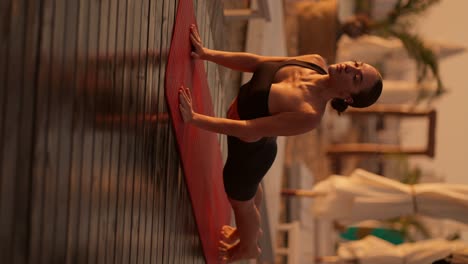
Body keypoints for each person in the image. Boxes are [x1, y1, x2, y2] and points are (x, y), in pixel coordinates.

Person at [178, 24, 383, 263]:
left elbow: (249, 128)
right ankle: (246, 232)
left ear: (348, 97)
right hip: (261, 144)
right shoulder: (314, 61)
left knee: (240, 200)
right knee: (250, 191)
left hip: (249, 152)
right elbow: (256, 62)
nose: (350, 67)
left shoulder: (309, 114)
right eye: (356, 64)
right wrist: (205, 54)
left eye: (356, 77)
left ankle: (250, 247)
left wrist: (194, 118)